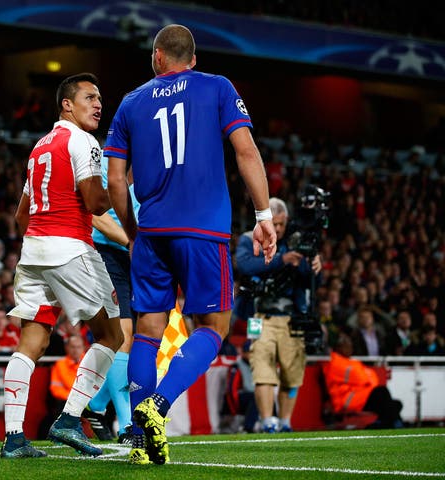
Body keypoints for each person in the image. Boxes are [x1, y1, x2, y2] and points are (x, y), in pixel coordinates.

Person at [106, 24, 276, 465]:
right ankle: (157, 408)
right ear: (192, 59)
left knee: (147, 331)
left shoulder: (129, 102)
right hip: (203, 230)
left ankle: (141, 442)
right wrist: (262, 216)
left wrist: (131, 231)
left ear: (158, 57)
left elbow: (115, 181)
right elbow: (246, 151)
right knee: (214, 326)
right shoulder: (217, 87)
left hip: (153, 232)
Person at [0, 73, 123, 460]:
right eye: (90, 97)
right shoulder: (83, 141)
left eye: (101, 98)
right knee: (111, 334)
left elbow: (22, 215)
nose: (99, 104)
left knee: (30, 343)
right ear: (66, 105)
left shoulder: (39, 148)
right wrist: (117, 185)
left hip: (33, 251)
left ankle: (14, 437)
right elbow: (96, 202)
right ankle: (70, 419)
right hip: (70, 249)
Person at [234, 197, 322, 434]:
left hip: (292, 317)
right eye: (276, 224)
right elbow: (244, 266)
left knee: (292, 373)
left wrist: (314, 264)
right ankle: (267, 420)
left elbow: (312, 281)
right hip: (260, 316)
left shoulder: (296, 241)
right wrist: (282, 259)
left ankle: (285, 421)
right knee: (262, 368)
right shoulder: (248, 238)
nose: (279, 229)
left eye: (282, 224)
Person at [84, 159, 139, 443]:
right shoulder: (105, 164)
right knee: (123, 338)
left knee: (139, 341)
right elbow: (94, 214)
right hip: (108, 253)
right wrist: (131, 242)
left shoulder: (155, 169)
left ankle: (95, 405)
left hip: (138, 258)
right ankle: (128, 426)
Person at [323, 333, 403, 429]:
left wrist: (365, 380)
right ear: (339, 347)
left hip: (361, 396)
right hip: (347, 400)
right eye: (348, 345)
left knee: (394, 403)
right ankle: (393, 424)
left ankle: (383, 423)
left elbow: (373, 377)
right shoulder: (335, 362)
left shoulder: (351, 361)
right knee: (383, 394)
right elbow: (361, 377)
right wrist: (366, 380)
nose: (351, 348)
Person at [48, 334, 87, 418]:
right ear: (67, 347)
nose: (75, 350)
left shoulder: (90, 364)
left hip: (87, 402)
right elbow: (55, 389)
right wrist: (73, 399)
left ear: (83, 348)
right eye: (73, 347)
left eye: (78, 347)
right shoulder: (60, 364)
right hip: (67, 402)